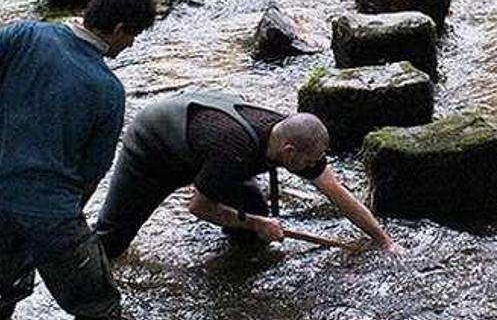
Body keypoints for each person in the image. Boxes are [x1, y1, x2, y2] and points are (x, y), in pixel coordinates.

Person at [0, 0, 157, 320]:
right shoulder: (108, 90)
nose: (130, 44)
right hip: (50, 213)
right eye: (133, 36)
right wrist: (62, 218)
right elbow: (92, 172)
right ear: (118, 28)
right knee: (98, 305)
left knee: (3, 288)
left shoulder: (23, 35)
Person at [96, 91, 403, 259]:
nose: (315, 166)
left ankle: (235, 265)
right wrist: (260, 224)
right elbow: (198, 207)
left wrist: (384, 241)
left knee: (252, 214)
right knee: (112, 241)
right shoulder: (234, 149)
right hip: (153, 148)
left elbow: (336, 192)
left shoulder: (292, 137)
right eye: (310, 160)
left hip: (205, 148)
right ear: (289, 153)